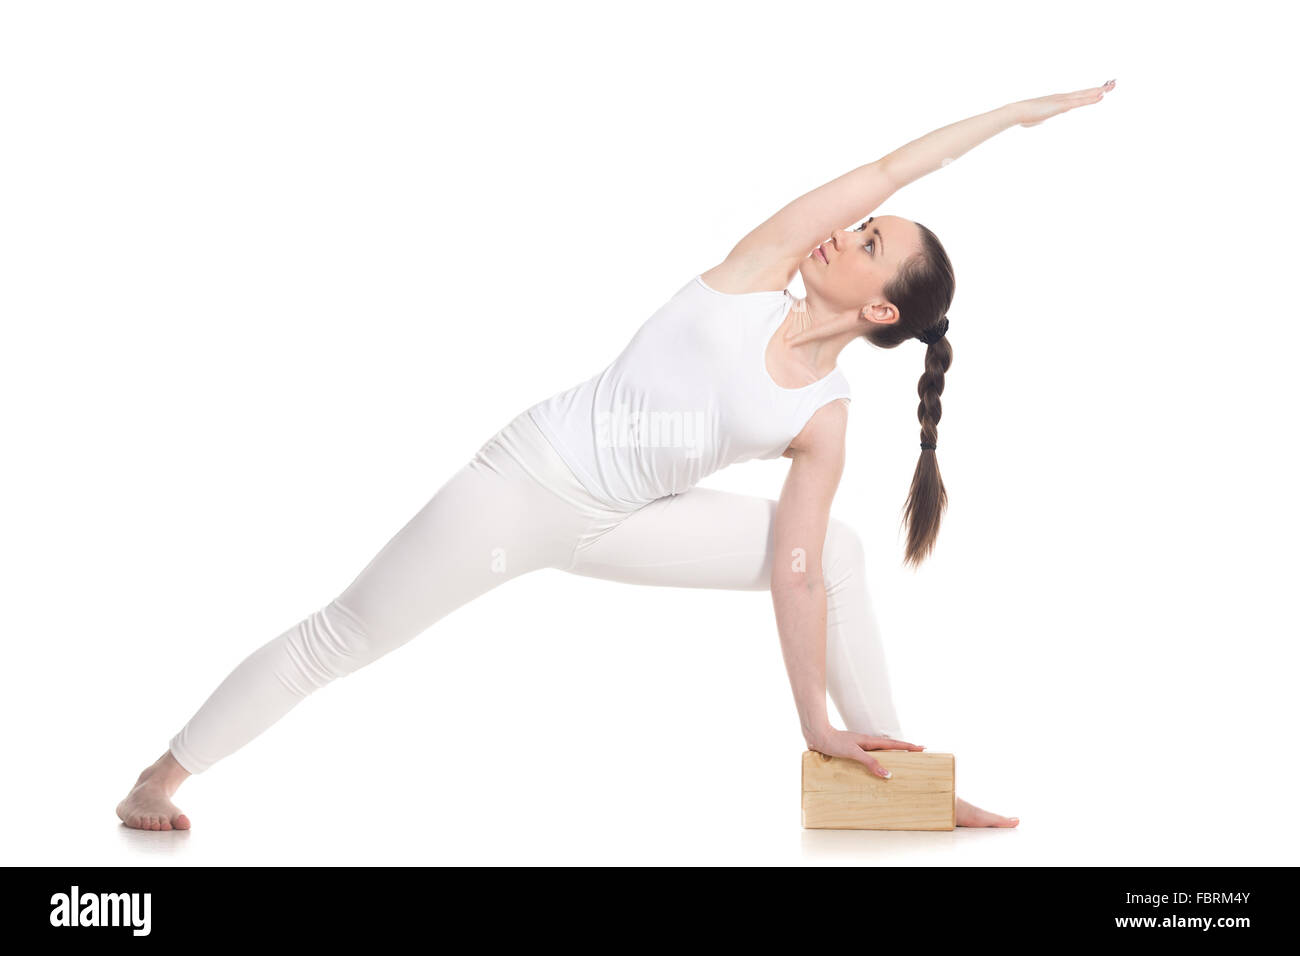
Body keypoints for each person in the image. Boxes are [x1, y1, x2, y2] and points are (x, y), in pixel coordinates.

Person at [117, 80, 1115, 831]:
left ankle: (900, 784)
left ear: (880, 307)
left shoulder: (825, 412)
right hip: (526, 482)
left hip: (629, 520)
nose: (842, 234)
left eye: (864, 243)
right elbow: (892, 167)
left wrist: (811, 719)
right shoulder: (761, 263)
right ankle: (158, 776)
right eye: (856, 227)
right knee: (342, 635)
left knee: (839, 553)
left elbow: (798, 570)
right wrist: (1014, 116)